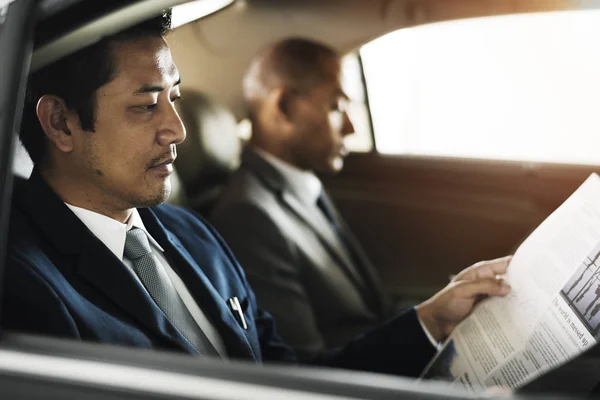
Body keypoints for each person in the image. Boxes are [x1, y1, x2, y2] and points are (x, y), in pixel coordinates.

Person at [1, 11, 511, 379]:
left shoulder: (193, 235)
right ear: (60, 123)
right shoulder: (22, 285)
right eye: (146, 106)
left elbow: (288, 378)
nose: (177, 130)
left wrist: (429, 320)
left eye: (174, 99)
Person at [210, 37, 426, 358]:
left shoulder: (303, 182)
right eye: (337, 107)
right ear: (284, 106)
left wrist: (439, 314)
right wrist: (426, 328)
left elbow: (369, 313)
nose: (351, 127)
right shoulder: (248, 217)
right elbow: (304, 366)